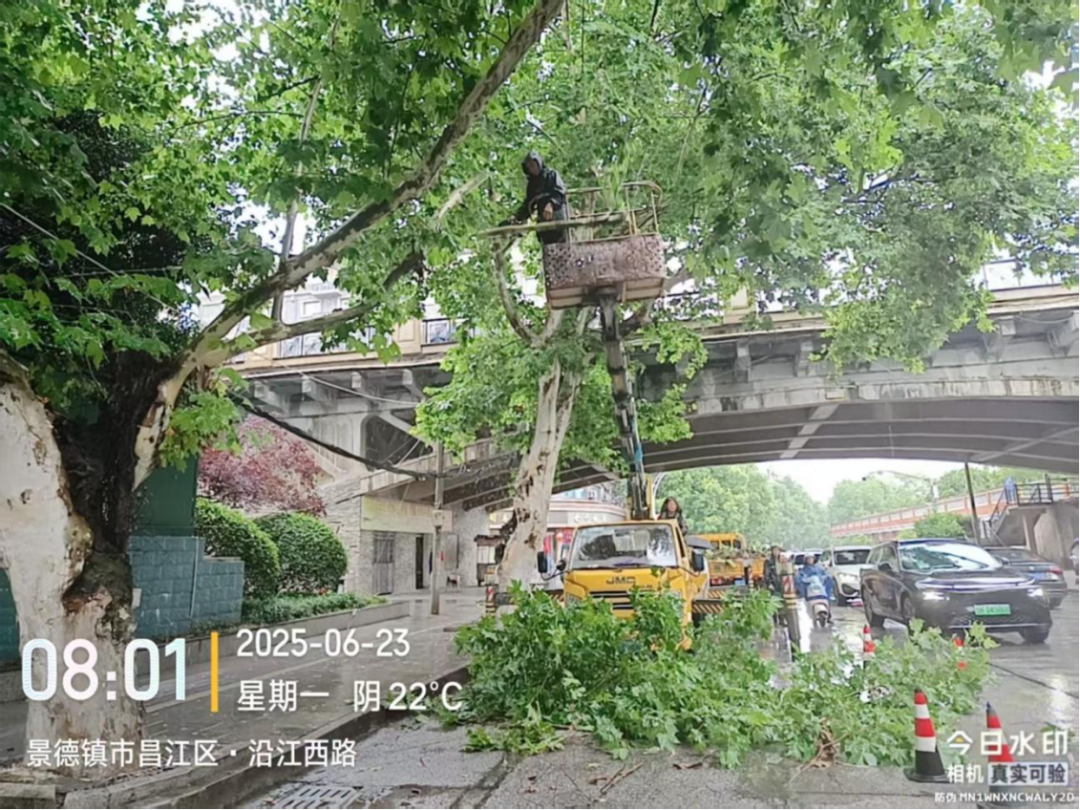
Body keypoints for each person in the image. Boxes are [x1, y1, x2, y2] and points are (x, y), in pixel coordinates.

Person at [505, 151, 569, 245]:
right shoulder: (532, 184)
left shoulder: (552, 175)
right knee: (547, 247)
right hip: (543, 223)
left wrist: (551, 204)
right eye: (529, 167)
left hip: (558, 219)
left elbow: (560, 192)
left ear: (539, 163)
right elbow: (528, 204)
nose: (532, 168)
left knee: (563, 245)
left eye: (533, 165)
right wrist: (517, 216)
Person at [796, 554, 834, 624]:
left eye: (811, 559)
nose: (810, 560)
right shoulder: (803, 570)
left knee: (827, 599)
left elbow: (826, 575)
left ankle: (829, 615)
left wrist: (825, 579)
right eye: (808, 559)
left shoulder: (819, 568)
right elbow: (799, 579)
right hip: (810, 590)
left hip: (821, 589)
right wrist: (804, 581)